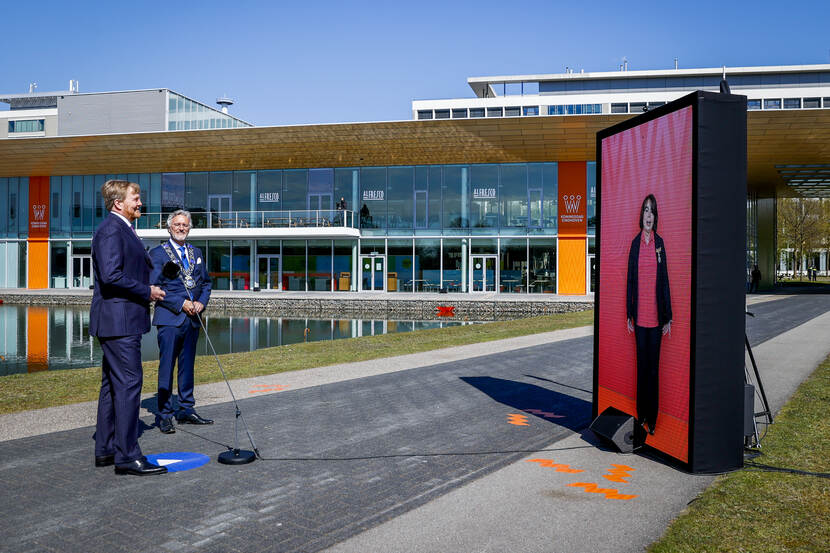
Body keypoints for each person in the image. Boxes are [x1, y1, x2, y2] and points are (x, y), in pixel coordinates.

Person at [91, 179, 168, 476]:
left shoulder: (123, 229)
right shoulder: (112, 230)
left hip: (118, 320)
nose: (140, 202)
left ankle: (107, 449)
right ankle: (127, 455)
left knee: (112, 385)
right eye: (135, 197)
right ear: (118, 203)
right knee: (128, 383)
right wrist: (147, 291)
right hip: (119, 321)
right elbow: (111, 276)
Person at [149, 210, 213, 434]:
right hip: (170, 319)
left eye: (185, 225)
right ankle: (164, 414)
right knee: (167, 366)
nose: (181, 228)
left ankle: (186, 409)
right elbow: (155, 288)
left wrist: (201, 304)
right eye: (177, 224)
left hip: (193, 318)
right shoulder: (157, 254)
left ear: (190, 227)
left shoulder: (196, 252)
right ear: (169, 227)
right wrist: (181, 303)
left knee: (187, 367)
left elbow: (206, 283)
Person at [626, 194, 672, 436]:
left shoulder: (659, 244)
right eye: (645, 210)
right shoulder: (635, 244)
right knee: (641, 369)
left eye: (652, 211)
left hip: (655, 322)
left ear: (656, 217)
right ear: (641, 215)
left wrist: (668, 317)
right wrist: (628, 313)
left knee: (653, 371)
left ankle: (652, 419)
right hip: (639, 321)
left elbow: (664, 281)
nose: (648, 215)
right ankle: (640, 414)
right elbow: (630, 281)